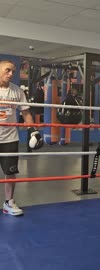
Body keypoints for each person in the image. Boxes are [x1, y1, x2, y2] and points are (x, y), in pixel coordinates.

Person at [0, 59, 43, 216]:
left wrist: (32, 130)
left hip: (10, 138)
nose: (11, 74)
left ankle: (9, 203)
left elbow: (25, 112)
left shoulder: (17, 91)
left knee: (10, 172)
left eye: (13, 71)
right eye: (7, 70)